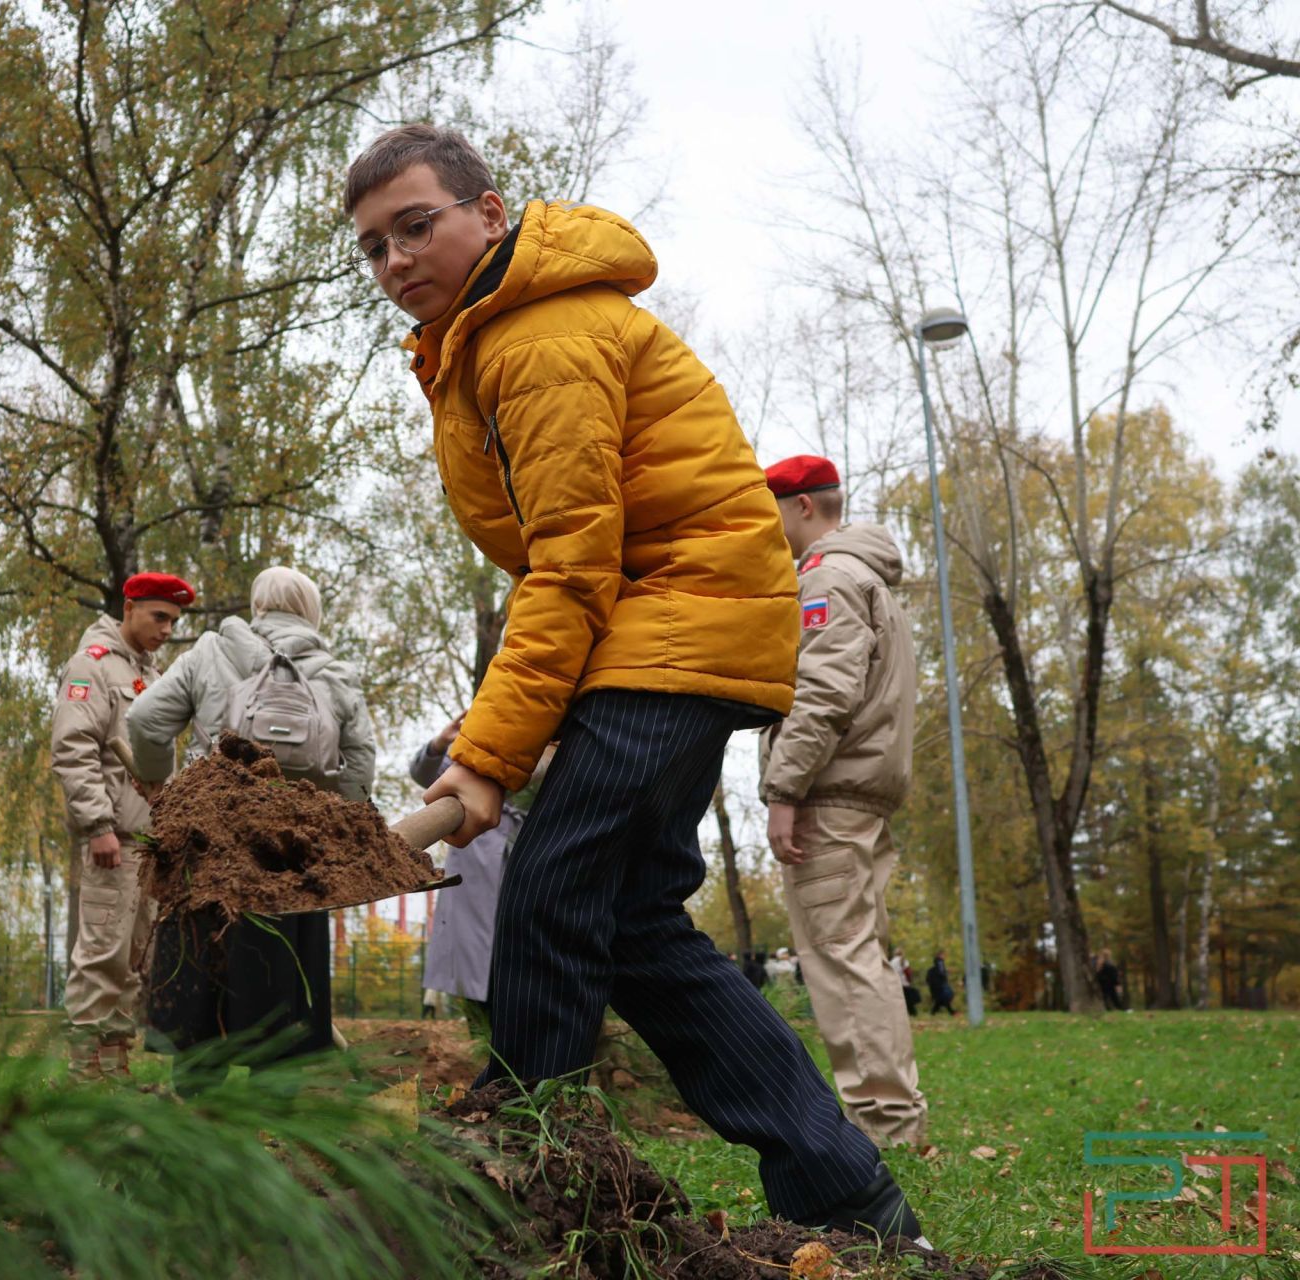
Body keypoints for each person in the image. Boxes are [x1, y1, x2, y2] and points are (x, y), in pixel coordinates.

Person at [346, 123, 922, 1241]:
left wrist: (488, 759)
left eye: (418, 225)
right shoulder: (484, 341)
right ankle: (847, 1191)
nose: (396, 260)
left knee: (555, 892)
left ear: (491, 211)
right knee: (633, 924)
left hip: (682, 621)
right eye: (372, 247)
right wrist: (499, 726)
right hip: (663, 628)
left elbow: (571, 564)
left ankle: (521, 1183)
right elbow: (565, 569)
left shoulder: (539, 336)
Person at [125, 566, 376, 1092]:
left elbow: (145, 720)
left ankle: (196, 1106)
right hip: (293, 857)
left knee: (200, 973)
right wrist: (334, 832)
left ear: (258, 607)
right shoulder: (335, 673)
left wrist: (160, 786)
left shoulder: (210, 652)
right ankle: (275, 1112)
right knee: (284, 977)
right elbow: (359, 767)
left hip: (206, 845)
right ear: (311, 614)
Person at [758, 453, 928, 1149]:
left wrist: (783, 790)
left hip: (828, 793)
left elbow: (825, 694)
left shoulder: (827, 577)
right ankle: (895, 1120)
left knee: (839, 955)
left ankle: (885, 1128)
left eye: (771, 510)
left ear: (802, 507)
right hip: (857, 793)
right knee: (858, 951)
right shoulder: (870, 578)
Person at [51, 571, 193, 1077]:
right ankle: (85, 1074)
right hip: (114, 840)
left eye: (174, 620)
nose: (167, 628)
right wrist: (97, 825)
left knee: (132, 963)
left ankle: (113, 1069)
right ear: (129, 607)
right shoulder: (92, 667)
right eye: (159, 616)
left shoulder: (149, 675)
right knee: (101, 957)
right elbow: (73, 749)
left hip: (146, 844)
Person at [409, 713, 541, 1043]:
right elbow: (426, 776)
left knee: (517, 963)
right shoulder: (473, 744)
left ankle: (512, 1052)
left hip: (527, 856)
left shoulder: (547, 739)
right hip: (473, 867)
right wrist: (442, 741)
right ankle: (484, 1049)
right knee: (473, 966)